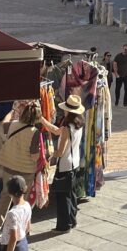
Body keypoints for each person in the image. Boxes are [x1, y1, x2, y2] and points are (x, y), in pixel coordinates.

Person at [0, 102, 42, 236]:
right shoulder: (35, 132)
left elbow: (2, 124)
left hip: (9, 165)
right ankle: (21, 227)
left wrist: (11, 112)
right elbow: (34, 156)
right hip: (26, 169)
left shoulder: (13, 125)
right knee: (23, 198)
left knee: (5, 195)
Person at [43, 95, 84, 232]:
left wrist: (50, 155)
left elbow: (60, 152)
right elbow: (55, 131)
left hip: (65, 165)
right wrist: (42, 120)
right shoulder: (78, 124)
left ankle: (64, 225)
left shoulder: (67, 128)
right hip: (74, 163)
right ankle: (72, 221)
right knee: (71, 195)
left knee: (63, 197)